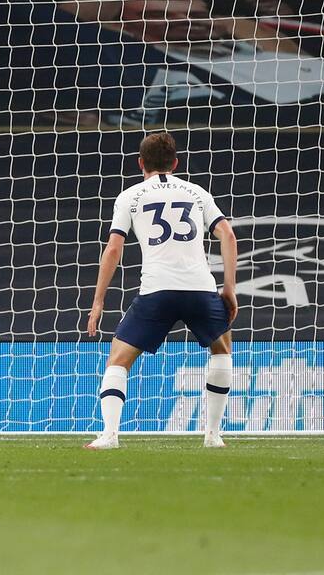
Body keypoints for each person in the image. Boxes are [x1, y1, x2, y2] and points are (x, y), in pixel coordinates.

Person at [85, 132, 239, 450]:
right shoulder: (196, 192)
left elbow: (114, 248)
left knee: (118, 360)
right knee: (222, 353)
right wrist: (229, 289)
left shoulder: (130, 196)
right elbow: (228, 235)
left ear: (141, 163)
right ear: (176, 162)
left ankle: (110, 435)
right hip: (200, 288)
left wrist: (98, 301)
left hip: (156, 291)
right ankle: (212, 435)